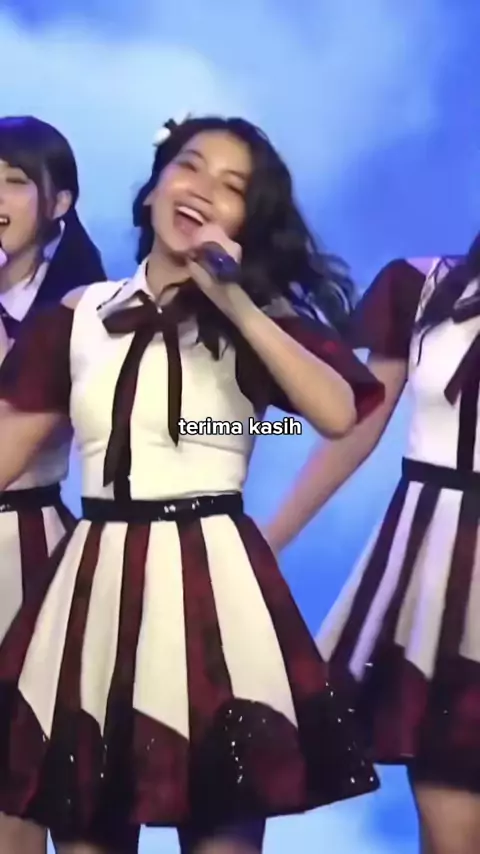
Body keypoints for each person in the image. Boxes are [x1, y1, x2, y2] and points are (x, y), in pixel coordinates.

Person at [0, 114, 384, 854]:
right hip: (98, 582)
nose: (203, 189)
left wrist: (234, 301)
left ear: (245, 221)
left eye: (231, 186)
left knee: (221, 821)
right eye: (189, 166)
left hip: (213, 586)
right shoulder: (78, 316)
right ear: (152, 192)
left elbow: (337, 412)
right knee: (86, 825)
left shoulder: (259, 317)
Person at [265, 240, 480, 854]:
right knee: (452, 824)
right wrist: (270, 538)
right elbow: (355, 424)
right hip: (435, 579)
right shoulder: (421, 286)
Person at [0, 116, 109, 854]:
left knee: (35, 770)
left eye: (13, 182)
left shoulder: (86, 309)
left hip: (30, 546)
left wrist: (232, 428)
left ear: (59, 203)